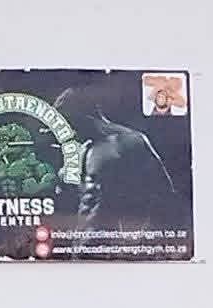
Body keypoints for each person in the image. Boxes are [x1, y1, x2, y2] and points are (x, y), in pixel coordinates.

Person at [52, 87, 179, 232]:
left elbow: (166, 195)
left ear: (80, 118)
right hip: (88, 245)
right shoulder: (84, 149)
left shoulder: (125, 142)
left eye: (64, 124)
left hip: (113, 245)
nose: (61, 133)